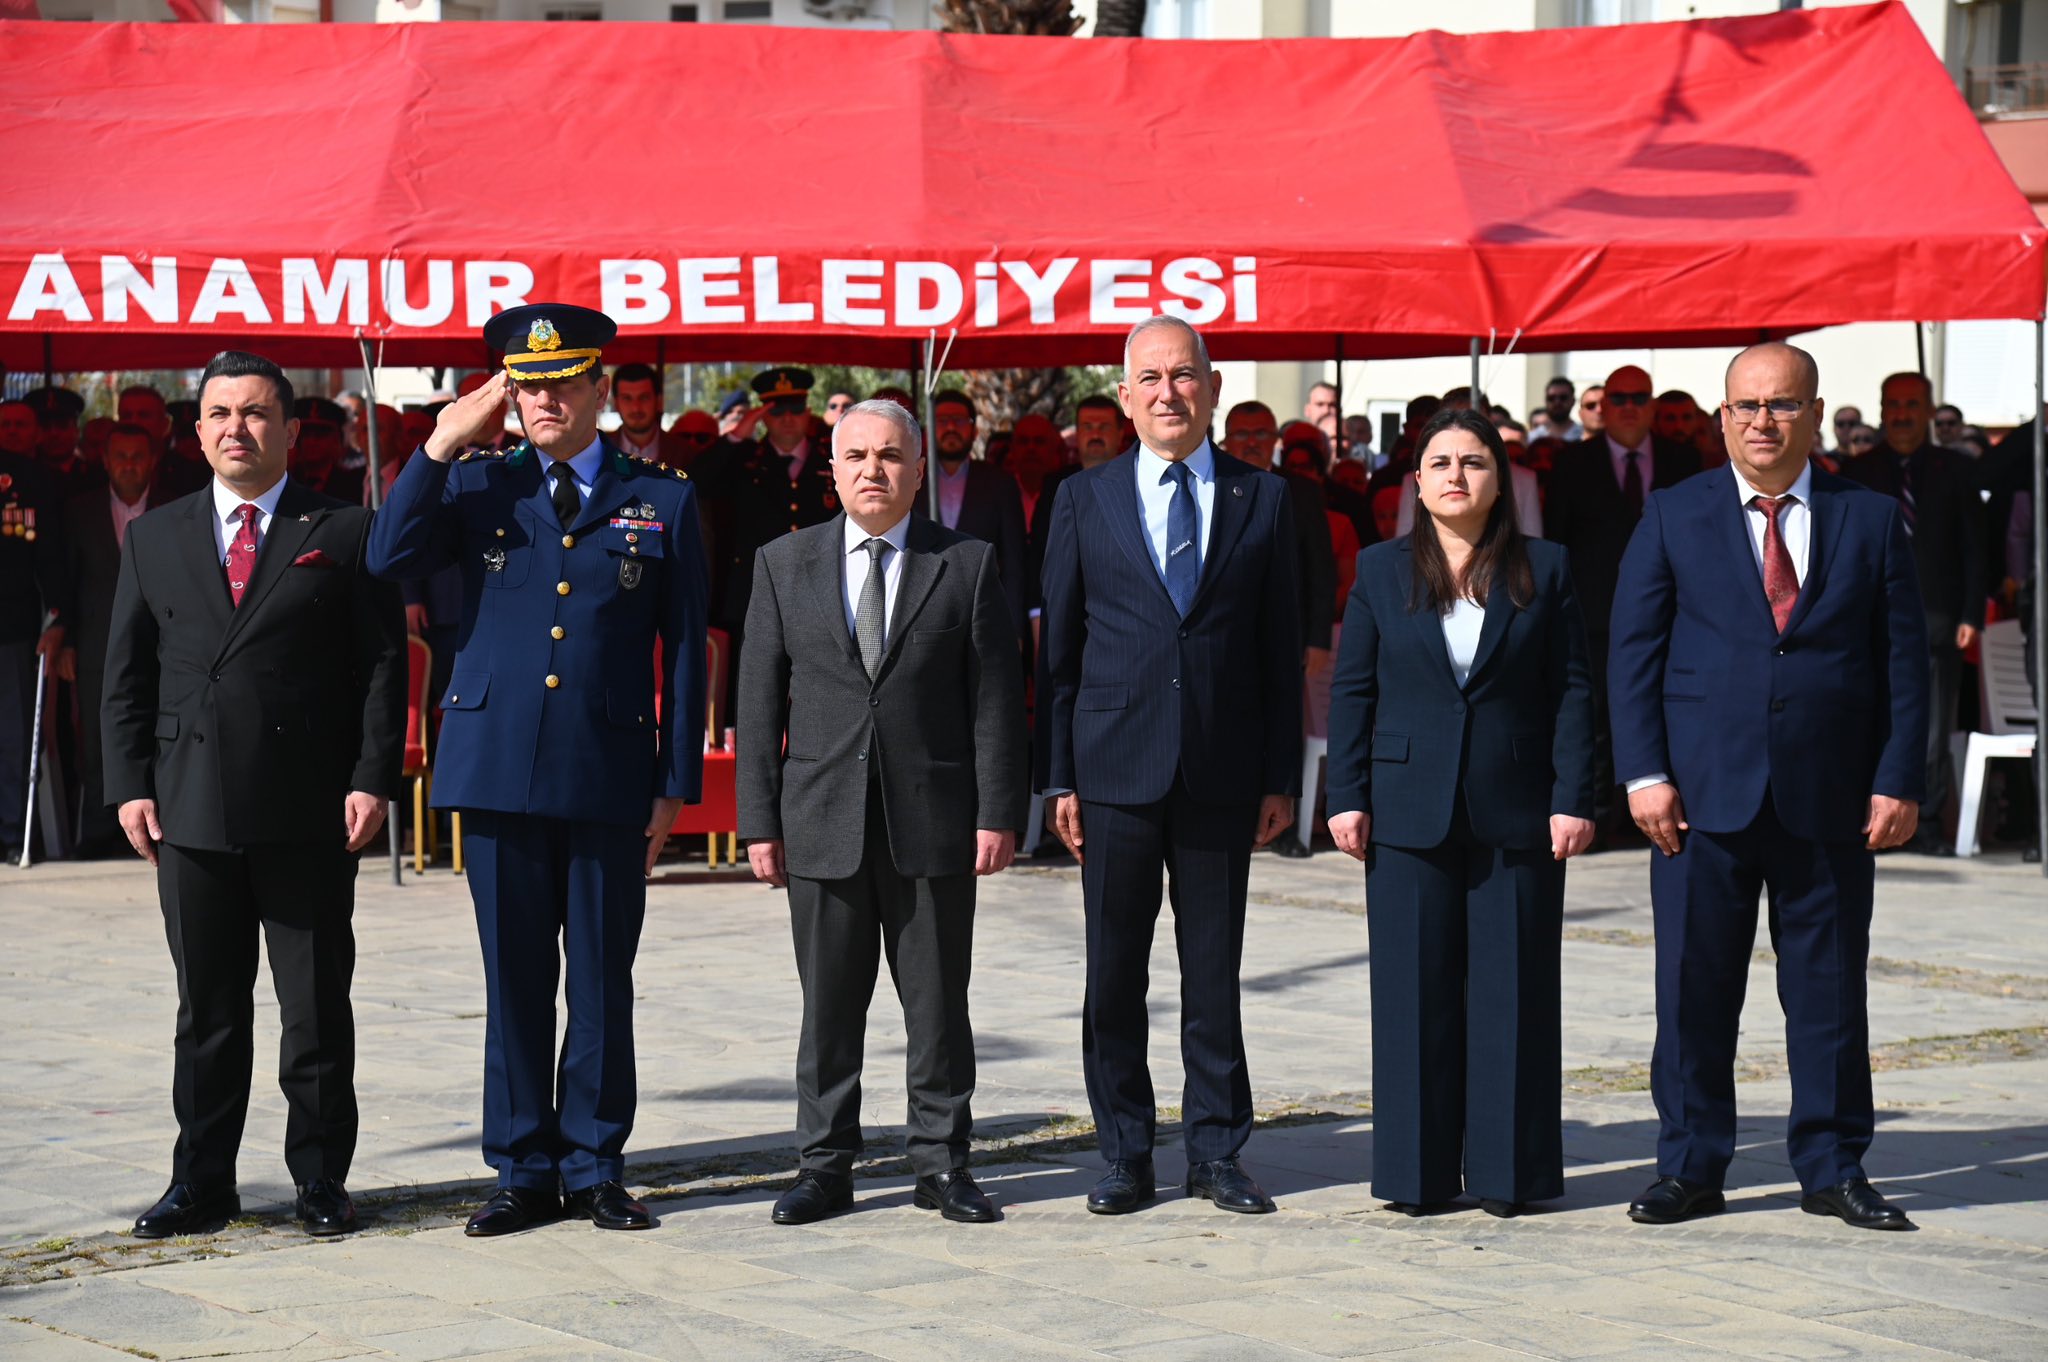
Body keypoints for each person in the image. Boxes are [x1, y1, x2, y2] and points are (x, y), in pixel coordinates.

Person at [368, 304, 708, 1237]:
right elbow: (385, 554)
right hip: (495, 768)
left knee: (601, 977)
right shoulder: (477, 486)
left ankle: (597, 1164)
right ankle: (521, 1167)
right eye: (526, 385)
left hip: (607, 769)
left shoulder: (662, 497)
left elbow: (684, 651)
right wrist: (438, 444)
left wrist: (675, 779)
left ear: (604, 389)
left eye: (563, 384)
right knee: (514, 976)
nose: (543, 400)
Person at [1609, 342, 1928, 1232]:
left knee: (1827, 992)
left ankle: (1831, 1166)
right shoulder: (1674, 514)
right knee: (1693, 990)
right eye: (1746, 406)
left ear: (1815, 414)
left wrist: (1898, 777)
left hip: (1829, 797)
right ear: (1721, 418)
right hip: (1698, 800)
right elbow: (1632, 655)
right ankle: (1690, 1167)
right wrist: (1644, 774)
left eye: (1782, 405)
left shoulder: (1868, 520)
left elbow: (1905, 663)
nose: (1762, 421)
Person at [100, 350, 405, 1239]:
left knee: (314, 1008)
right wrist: (127, 787)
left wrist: (371, 776)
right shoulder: (154, 537)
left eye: (258, 413)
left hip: (310, 808)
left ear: (290, 429)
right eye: (221, 413)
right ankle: (200, 1182)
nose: (238, 428)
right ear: (195, 433)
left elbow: (383, 667)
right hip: (187, 805)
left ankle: (320, 1180)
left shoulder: (343, 530)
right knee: (208, 1012)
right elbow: (126, 673)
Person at [737, 399, 1027, 1226]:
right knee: (828, 1010)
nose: (874, 470)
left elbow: (997, 702)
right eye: (857, 455)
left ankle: (942, 1163)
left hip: (933, 823)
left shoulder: (965, 564)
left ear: (918, 466)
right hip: (819, 822)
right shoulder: (782, 564)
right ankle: (824, 1167)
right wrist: (760, 822)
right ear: (832, 470)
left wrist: (998, 811)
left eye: (891, 456)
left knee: (937, 1007)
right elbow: (756, 704)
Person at [1038, 316, 1302, 1216]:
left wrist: (1280, 775)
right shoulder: (1083, 499)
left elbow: (1277, 651)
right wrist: (1058, 779)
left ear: (1213, 387)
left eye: (1183, 375)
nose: (1167, 392)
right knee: (1114, 972)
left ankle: (1218, 1151)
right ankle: (1123, 1152)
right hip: (1113, 770)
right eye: (1149, 377)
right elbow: (1061, 654)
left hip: (1223, 773)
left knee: (1213, 970)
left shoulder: (1263, 499)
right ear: (1123, 396)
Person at [1325, 407, 1595, 1217]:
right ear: (1416, 482)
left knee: (1514, 994)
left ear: (1500, 480)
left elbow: (1574, 690)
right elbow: (1353, 690)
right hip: (1406, 809)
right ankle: (1416, 1176)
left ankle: (1511, 1175)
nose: (1455, 476)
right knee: (1412, 996)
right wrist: (1347, 795)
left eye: (1473, 462)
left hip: (1516, 806)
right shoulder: (1379, 571)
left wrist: (1572, 797)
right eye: (1439, 462)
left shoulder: (1546, 569)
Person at [1543, 365, 1701, 847]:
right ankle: (1597, 815)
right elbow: (1557, 540)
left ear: (1652, 406)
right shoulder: (1573, 462)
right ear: (1603, 406)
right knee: (1592, 718)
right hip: (1593, 613)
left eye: (1639, 398)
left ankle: (1660, 814)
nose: (1629, 407)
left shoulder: (1683, 459)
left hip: (1673, 614)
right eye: (1619, 398)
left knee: (1663, 710)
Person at [1839, 372, 1984, 856]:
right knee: (1868, 720)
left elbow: (1974, 548)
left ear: (1927, 410)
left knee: (1932, 727)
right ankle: (1873, 819)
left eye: (1911, 405)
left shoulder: (1956, 470)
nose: (1901, 414)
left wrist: (1971, 613)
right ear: (1882, 410)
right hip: (1867, 623)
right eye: (1893, 405)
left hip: (1939, 620)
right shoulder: (1857, 473)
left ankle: (1921, 825)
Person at [60, 423, 169, 856]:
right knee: (95, 741)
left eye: (137, 456)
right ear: (104, 461)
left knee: (162, 731)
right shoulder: (79, 512)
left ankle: (157, 826)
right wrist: (65, 638)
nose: (128, 465)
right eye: (120, 456)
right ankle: (101, 831)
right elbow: (65, 581)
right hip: (95, 648)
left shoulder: (175, 510)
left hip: (163, 647)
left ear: (153, 460)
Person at [1, 405, 68, 864]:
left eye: (19, 424)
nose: (10, 432)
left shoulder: (37, 480)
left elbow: (56, 559)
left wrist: (59, 618)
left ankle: (9, 830)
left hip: (14, 627)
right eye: (4, 423)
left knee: (12, 735)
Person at [915, 389, 1029, 649]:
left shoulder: (1000, 483)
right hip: (920, 620)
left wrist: (1014, 629)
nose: (951, 428)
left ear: (975, 431)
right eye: (942, 421)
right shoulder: (911, 482)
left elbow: (1014, 561)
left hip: (985, 618)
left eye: (959, 420)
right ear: (927, 431)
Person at [287, 398, 366, 504]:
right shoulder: (284, 481)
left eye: (321, 434)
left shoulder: (355, 484)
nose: (312, 441)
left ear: (337, 439)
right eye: (305, 434)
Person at [1541, 377, 1582, 441]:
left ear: (1573, 401)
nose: (1557, 402)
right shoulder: (1533, 438)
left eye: (1563, 398)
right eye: (1551, 398)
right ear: (1545, 401)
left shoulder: (1583, 435)